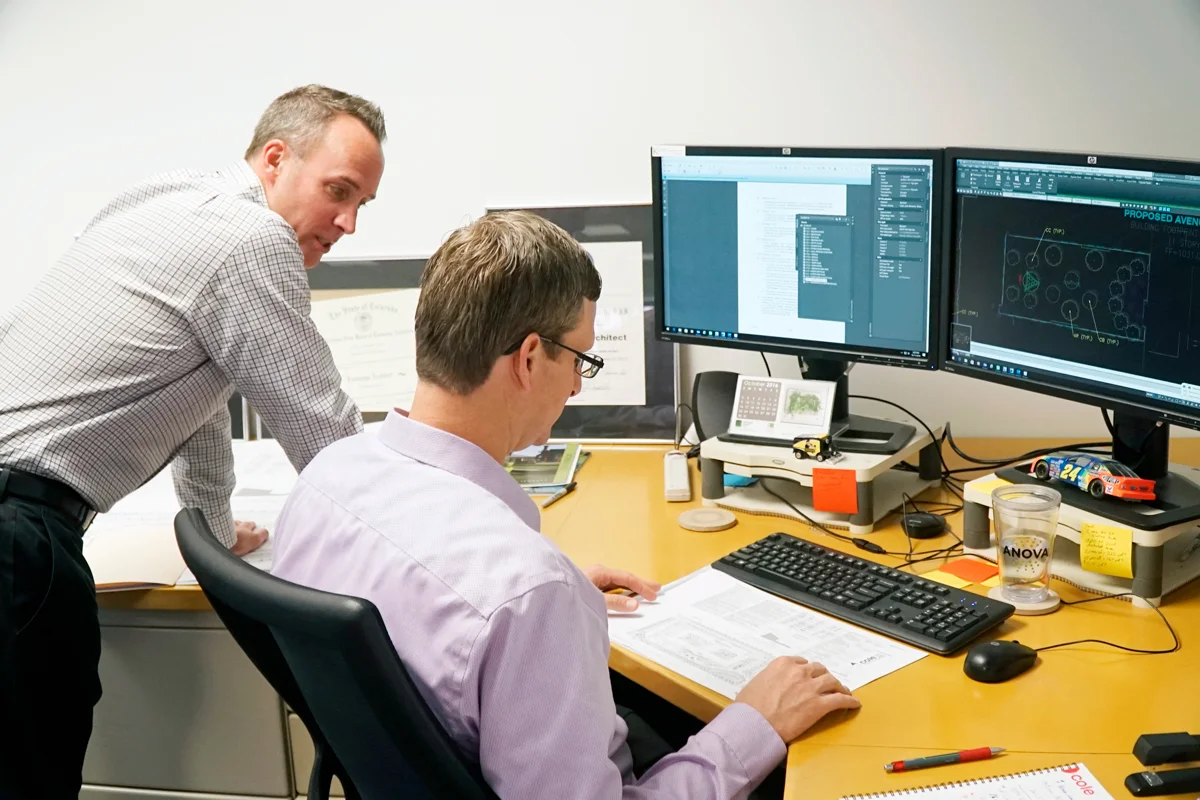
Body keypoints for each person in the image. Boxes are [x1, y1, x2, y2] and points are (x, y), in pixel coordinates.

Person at [270, 211, 861, 799]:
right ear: (529, 359)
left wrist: (551, 610)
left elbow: (424, 605)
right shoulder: (526, 594)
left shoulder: (326, 477)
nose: (578, 385)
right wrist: (754, 725)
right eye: (579, 359)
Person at [0, 84, 386, 798]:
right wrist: (444, 550)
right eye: (339, 191)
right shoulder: (254, 241)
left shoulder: (163, 197)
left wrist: (209, 528)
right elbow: (325, 436)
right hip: (17, 539)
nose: (348, 223)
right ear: (276, 158)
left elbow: (198, 395)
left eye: (363, 202)